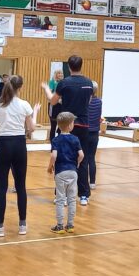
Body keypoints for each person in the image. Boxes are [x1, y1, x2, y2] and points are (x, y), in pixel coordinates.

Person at [0, 75, 36, 237]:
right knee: (21, 186)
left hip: (5, 145)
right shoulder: (24, 105)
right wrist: (34, 113)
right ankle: (22, 225)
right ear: (20, 87)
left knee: (2, 187)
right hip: (19, 145)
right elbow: (31, 129)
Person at [43, 55, 94, 198]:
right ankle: (83, 195)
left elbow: (53, 101)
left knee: (62, 158)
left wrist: (47, 89)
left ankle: (61, 195)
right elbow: (88, 102)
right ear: (81, 65)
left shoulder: (64, 83)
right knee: (82, 159)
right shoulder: (89, 83)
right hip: (83, 125)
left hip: (66, 124)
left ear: (69, 67)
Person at [48, 112, 83, 234]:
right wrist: (77, 163)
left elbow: (54, 155)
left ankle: (59, 226)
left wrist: (50, 166)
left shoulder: (56, 140)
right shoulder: (75, 139)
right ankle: (70, 225)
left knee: (60, 199)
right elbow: (81, 155)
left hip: (60, 172)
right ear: (69, 126)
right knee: (72, 199)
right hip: (73, 172)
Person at [80, 81, 102, 197]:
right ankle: (92, 182)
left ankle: (82, 183)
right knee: (91, 158)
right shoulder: (99, 101)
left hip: (85, 132)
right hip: (95, 133)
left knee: (83, 159)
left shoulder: (85, 102)